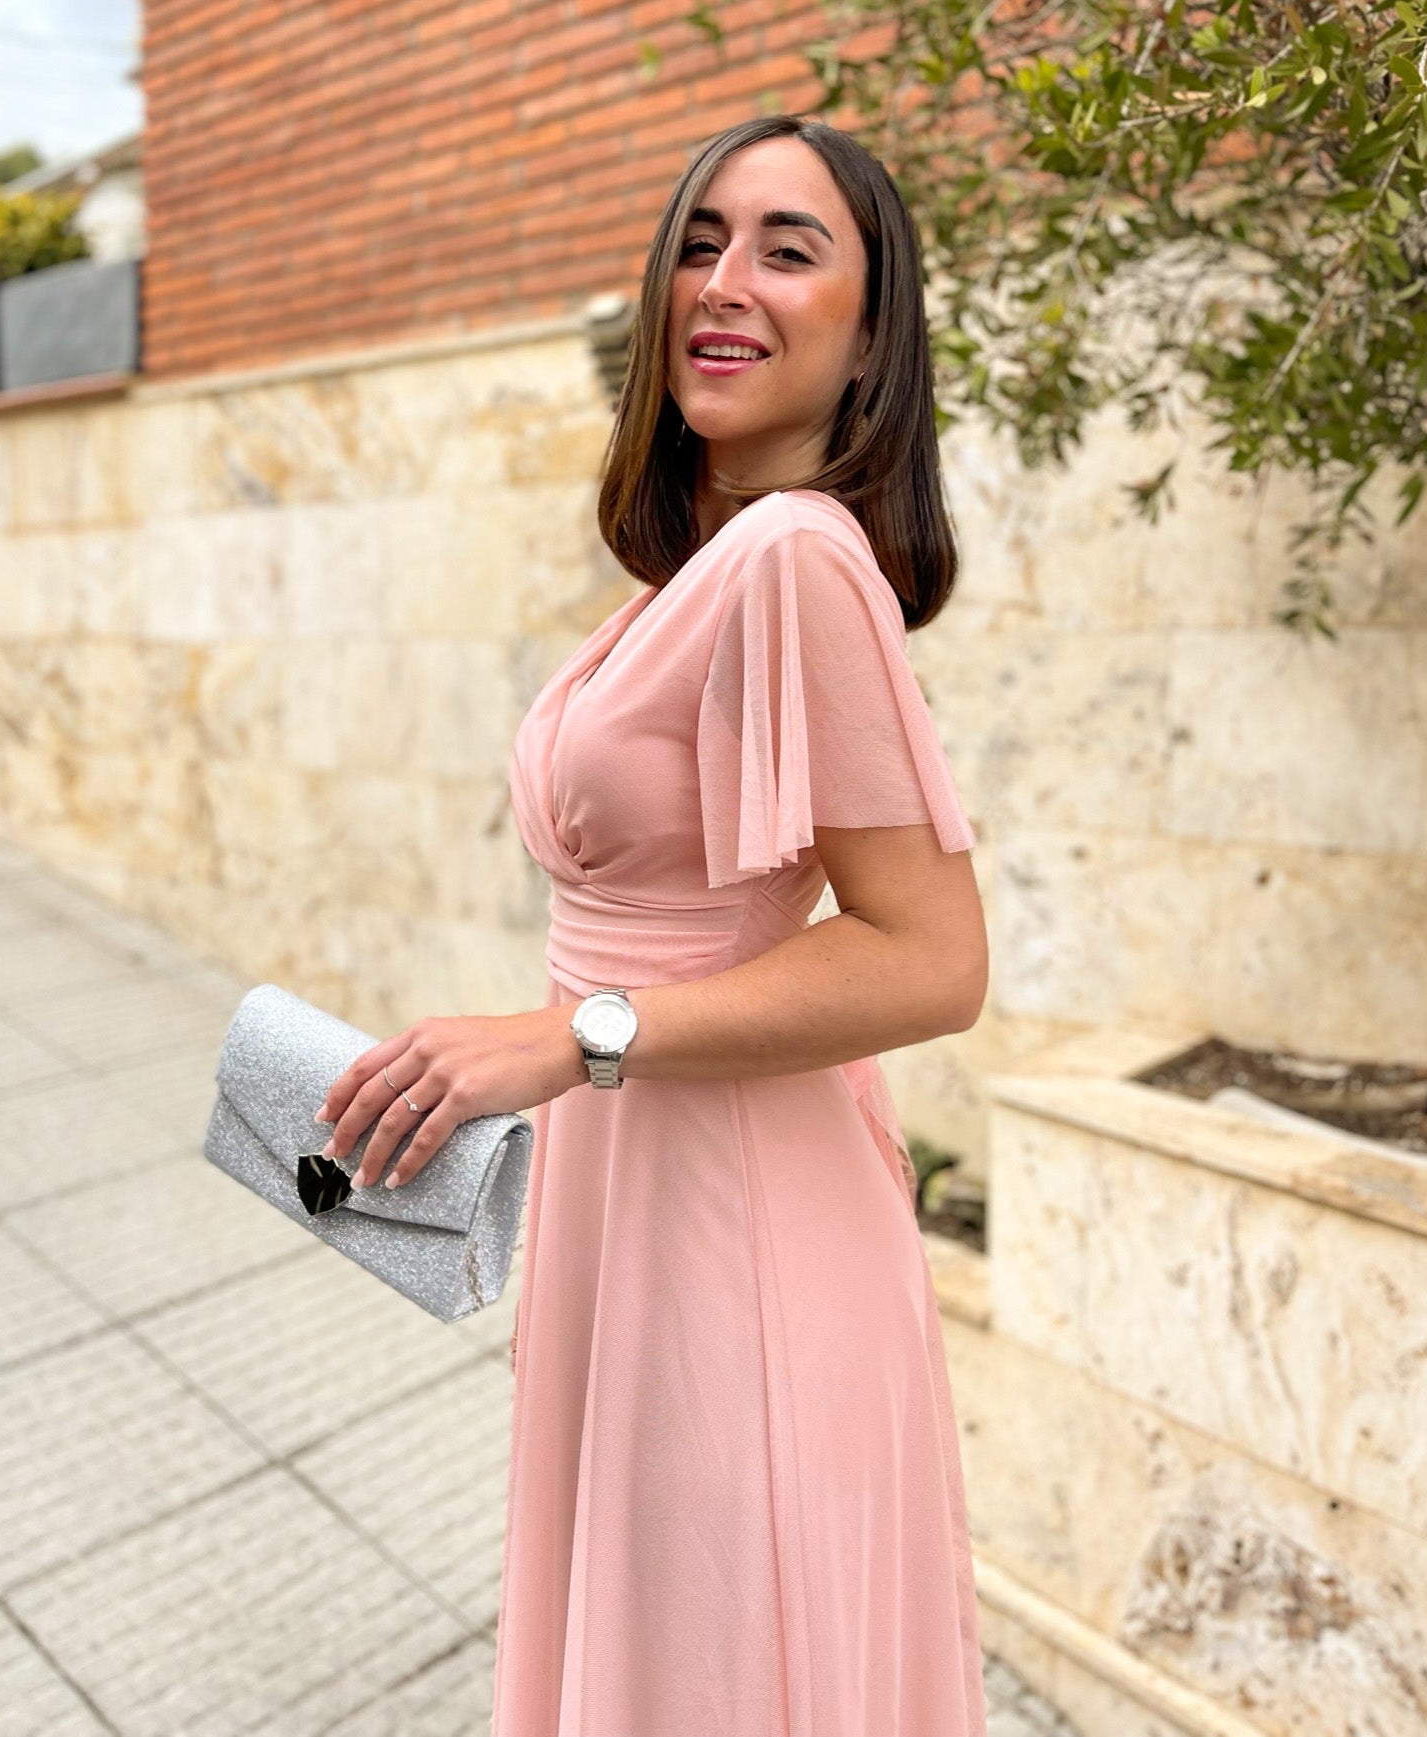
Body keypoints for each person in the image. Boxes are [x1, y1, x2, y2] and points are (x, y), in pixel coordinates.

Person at [315, 113, 991, 1734]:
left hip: (733, 1224)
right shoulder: (696, 570)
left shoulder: (794, 557)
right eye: (699, 240)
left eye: (787, 244)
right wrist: (516, 1053)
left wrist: (569, 1037)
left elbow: (931, 954)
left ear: (870, 329)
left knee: (713, 1665)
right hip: (643, 1195)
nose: (726, 279)